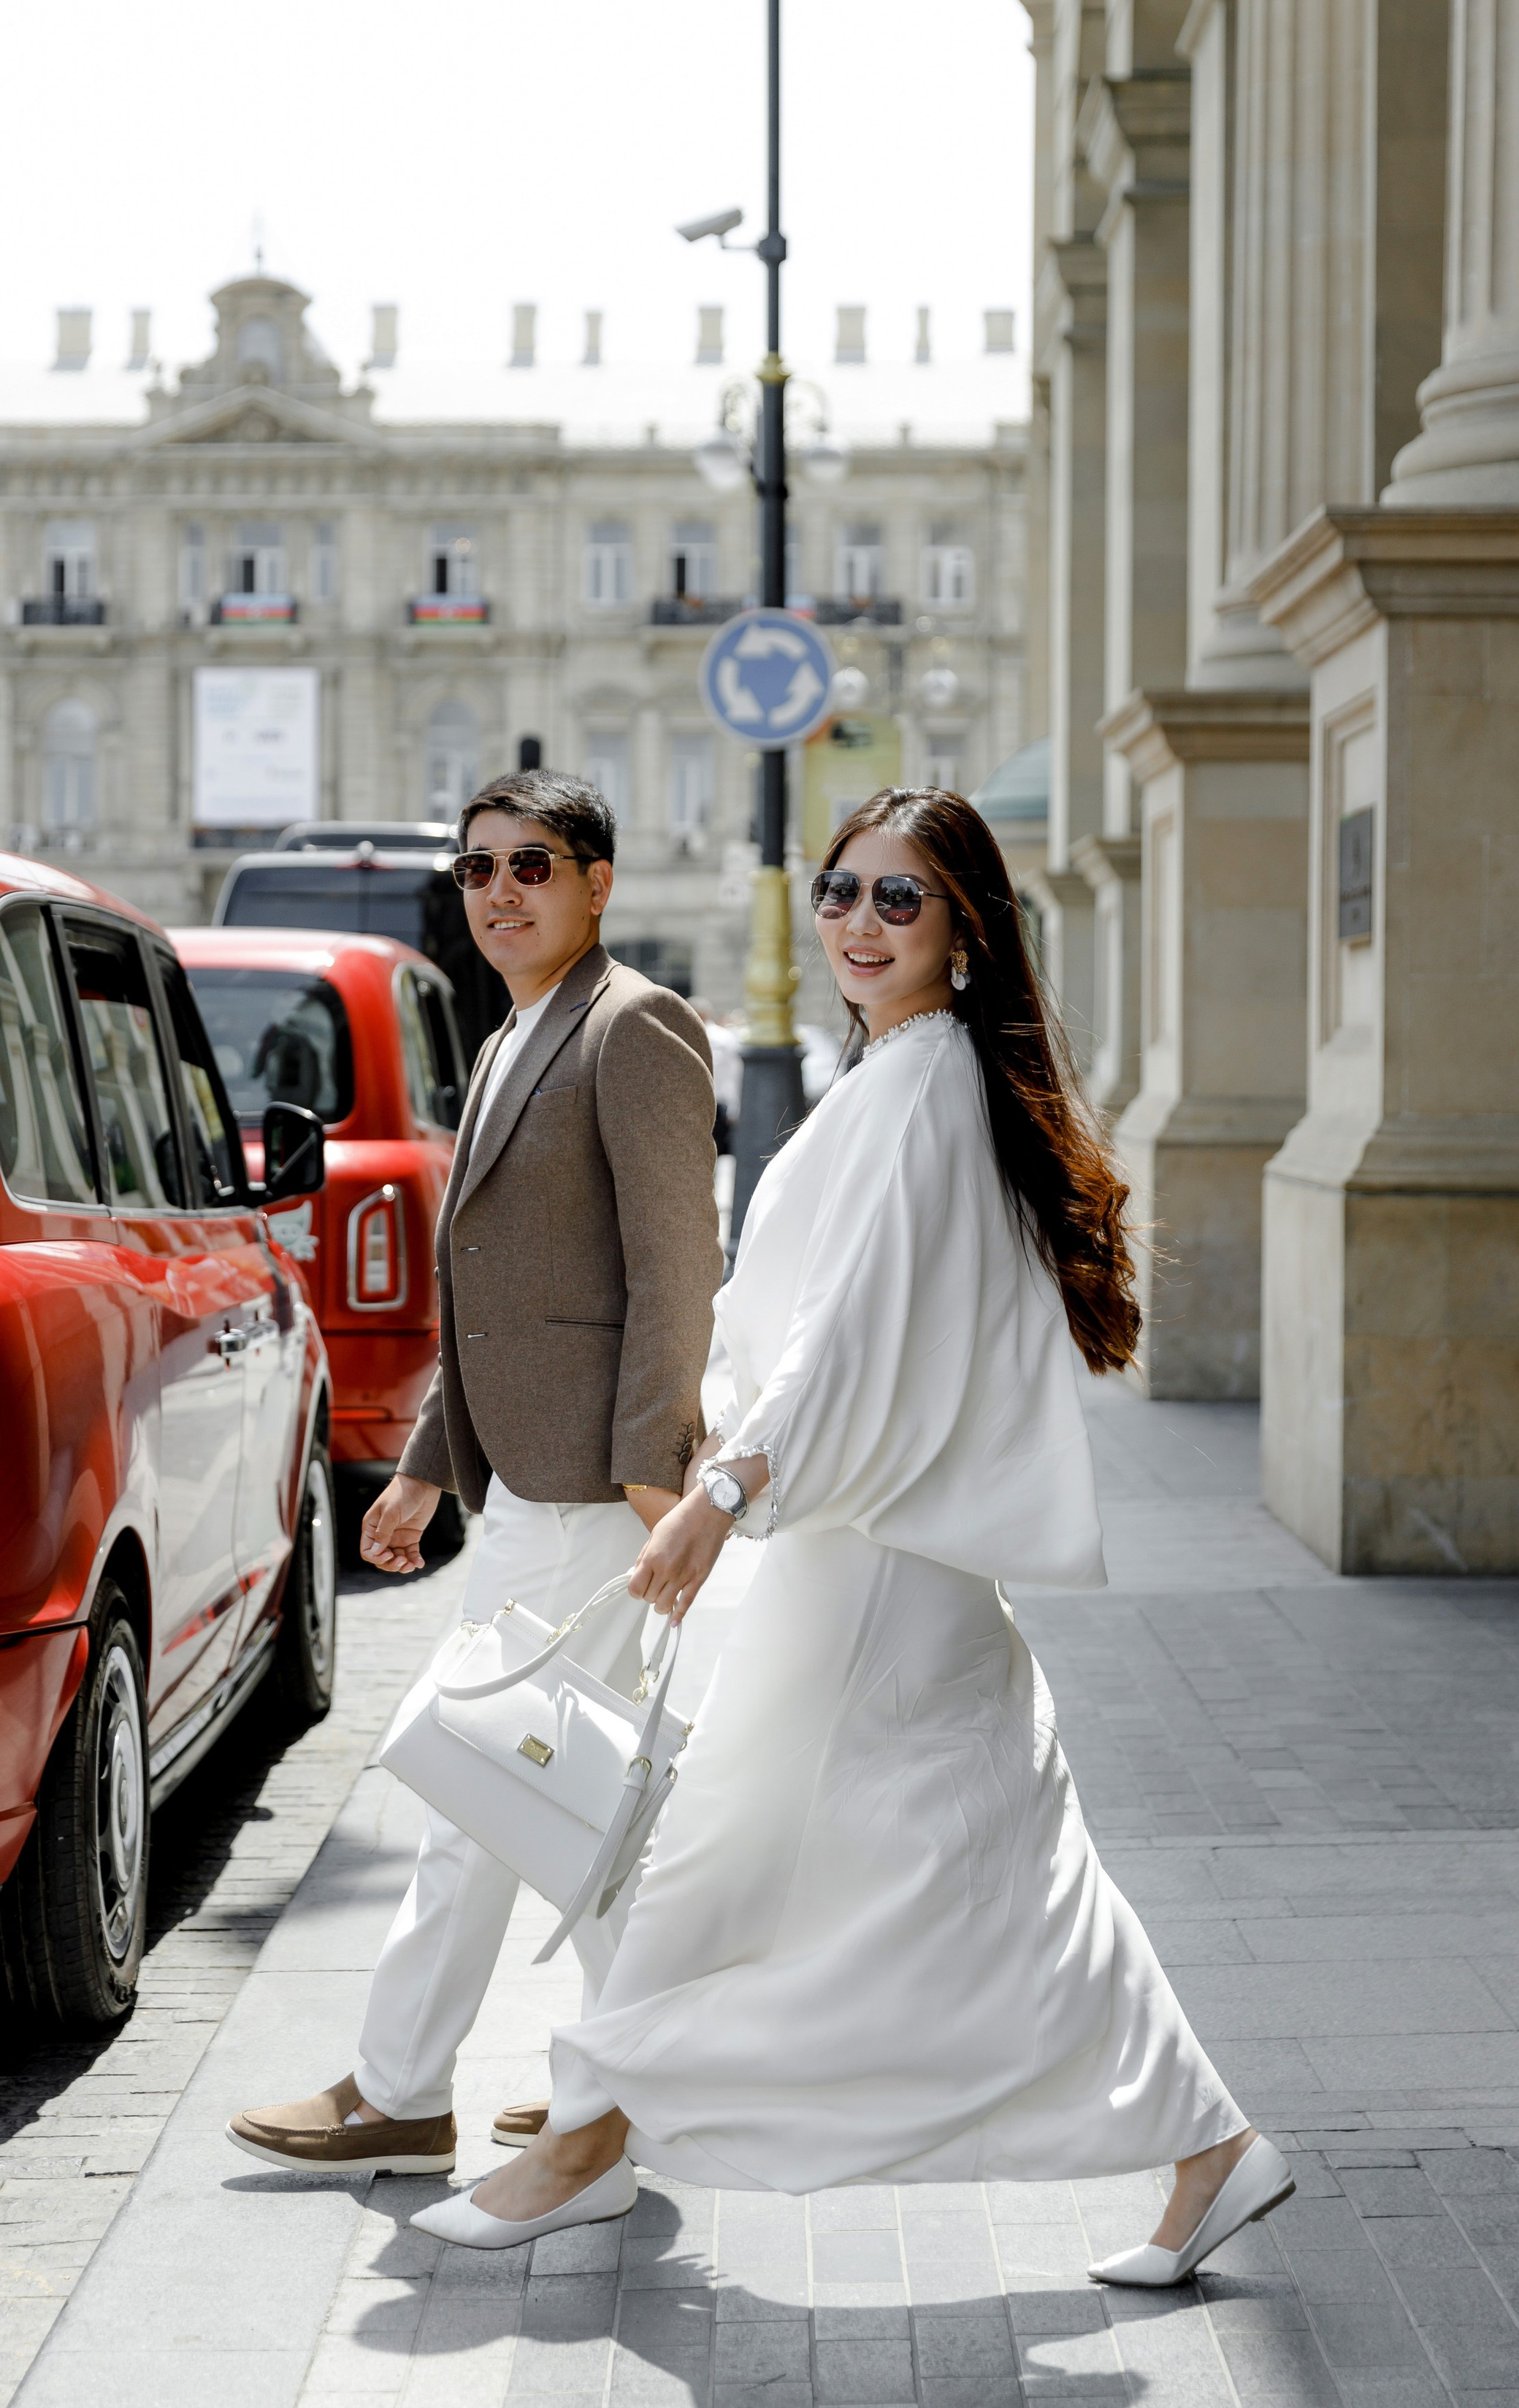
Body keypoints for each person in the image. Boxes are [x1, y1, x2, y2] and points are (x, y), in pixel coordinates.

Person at [412, 785, 1293, 2290]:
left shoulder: (923, 1085)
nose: (857, 925)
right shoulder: (903, 1074)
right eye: (840, 892)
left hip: (865, 1560)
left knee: (719, 1858)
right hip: (884, 1554)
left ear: (961, 934)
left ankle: (587, 2139)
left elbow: (850, 1337)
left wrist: (725, 1494)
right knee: (1014, 1871)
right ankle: (1209, 2148)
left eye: (899, 901)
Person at [227, 769, 722, 2177]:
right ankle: (616, 2088)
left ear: (598, 883)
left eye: (536, 865)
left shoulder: (636, 1030)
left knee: (491, 1786)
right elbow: (501, 1292)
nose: (501, 891)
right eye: (480, 869)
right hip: (525, 1483)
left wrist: (649, 1476)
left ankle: (413, 2090)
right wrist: (426, 1469)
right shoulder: (515, 1033)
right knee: (559, 1794)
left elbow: (676, 1273)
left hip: (589, 1496)